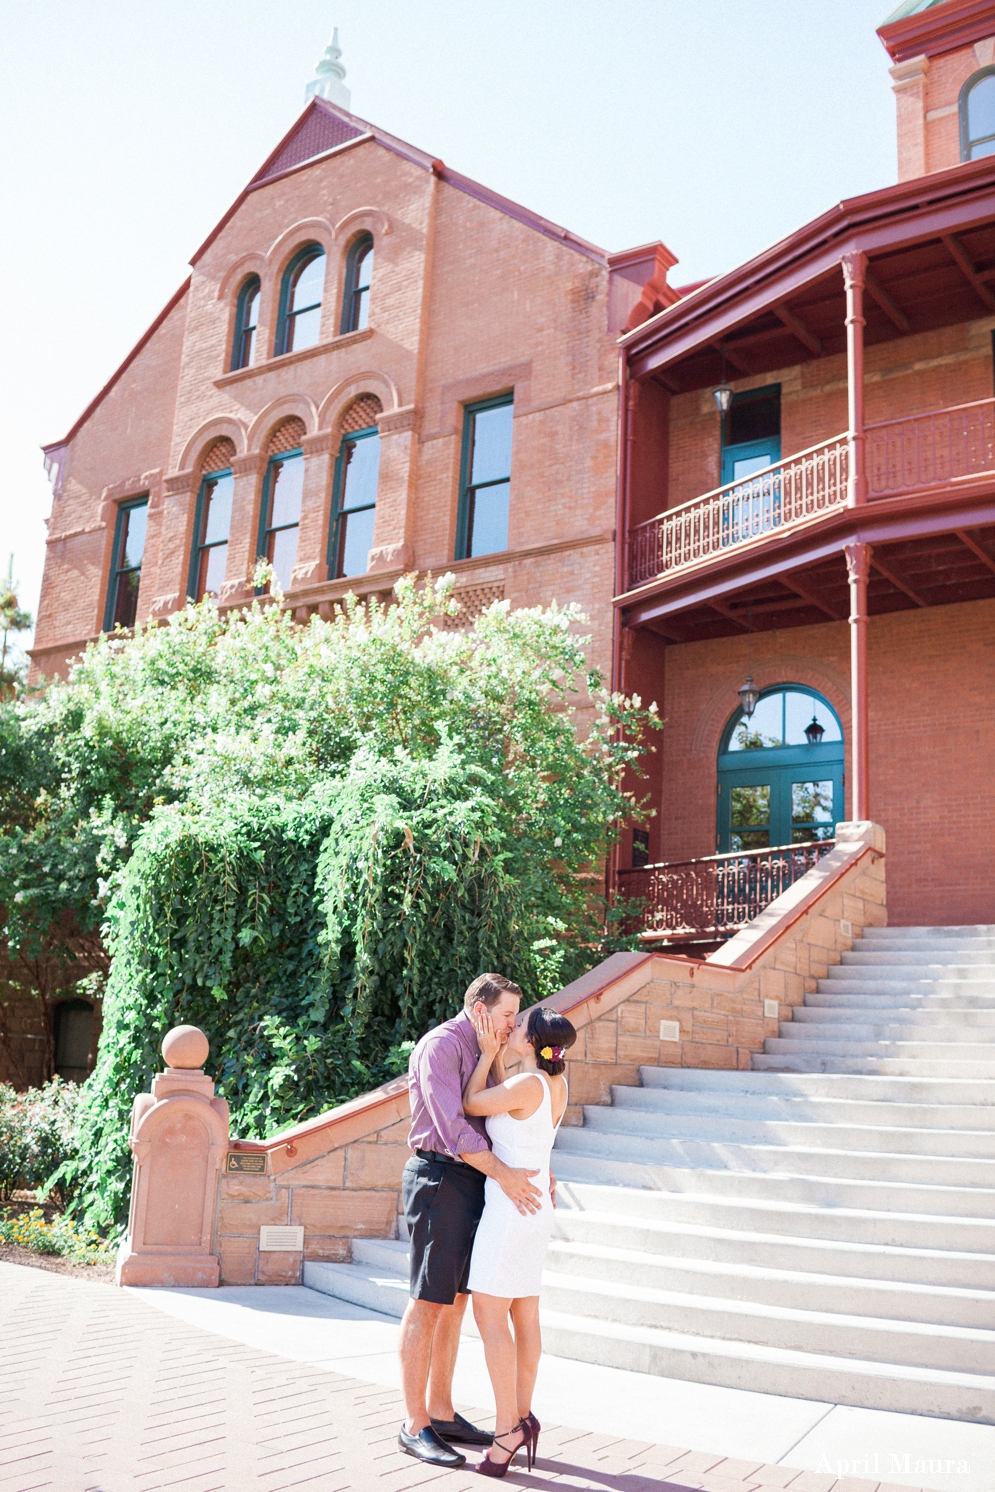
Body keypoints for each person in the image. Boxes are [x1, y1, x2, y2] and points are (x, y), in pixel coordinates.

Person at [397, 973, 546, 1470]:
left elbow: (508, 1119)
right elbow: (454, 1126)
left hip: (477, 1183)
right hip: (440, 1178)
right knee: (426, 1303)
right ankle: (414, 1424)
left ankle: (441, 1411)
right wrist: (506, 1177)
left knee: (456, 1302)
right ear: (481, 1010)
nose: (512, 1025)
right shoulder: (439, 1046)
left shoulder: (491, 1051)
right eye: (506, 1015)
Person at [463, 1003, 577, 1478]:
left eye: (519, 1025)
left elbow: (470, 1104)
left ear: (530, 1041)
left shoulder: (524, 1084)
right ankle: (522, 1415)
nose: (511, 1027)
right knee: (524, 1312)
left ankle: (508, 1429)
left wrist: (488, 1054)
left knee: (490, 1313)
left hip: (513, 1207)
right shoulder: (556, 1083)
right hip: (534, 1206)